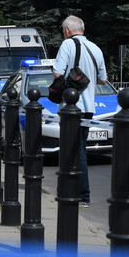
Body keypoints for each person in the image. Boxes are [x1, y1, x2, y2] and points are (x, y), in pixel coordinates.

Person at [52, 15, 107, 208]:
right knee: (80, 150)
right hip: (88, 108)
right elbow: (102, 79)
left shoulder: (67, 45)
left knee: (71, 151)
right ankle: (81, 194)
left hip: (70, 109)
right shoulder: (96, 48)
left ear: (67, 30)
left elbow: (58, 73)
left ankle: (79, 194)